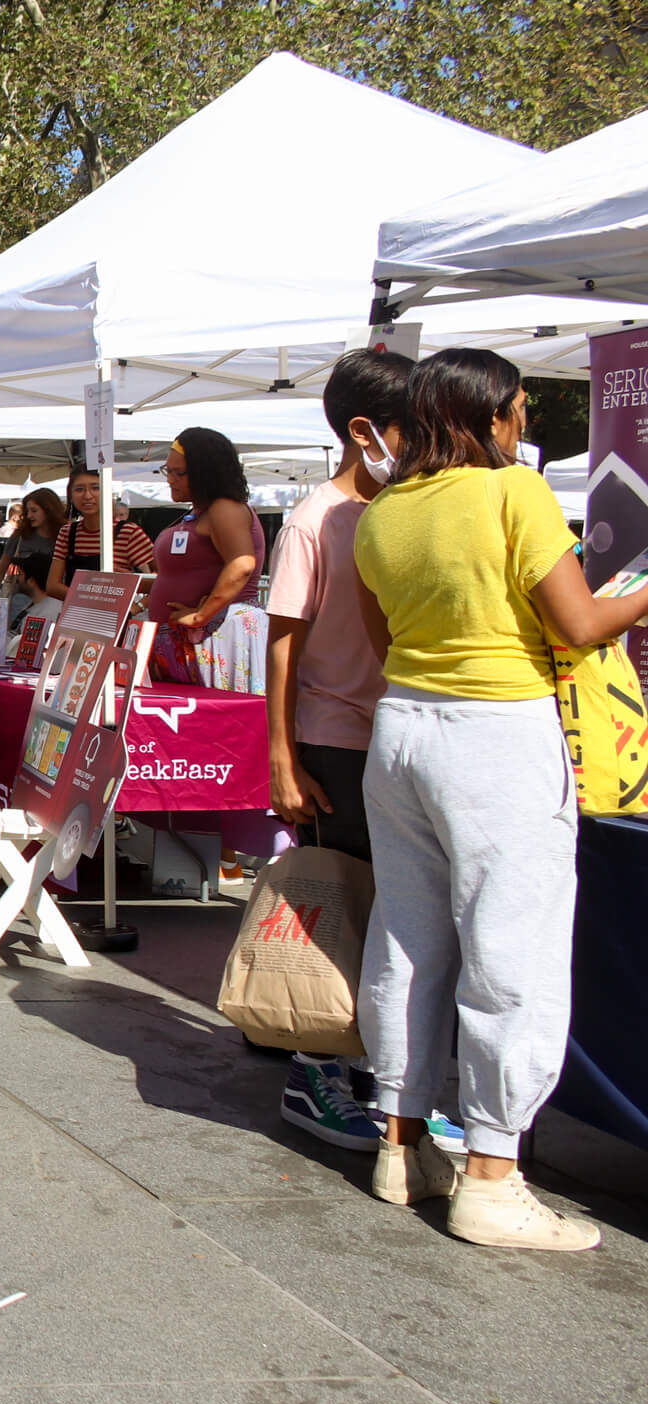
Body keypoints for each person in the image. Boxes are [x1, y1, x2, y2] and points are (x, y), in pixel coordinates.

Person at [355, 347, 648, 1252]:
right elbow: (579, 623)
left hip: (402, 730)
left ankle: (401, 1147)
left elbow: (383, 639)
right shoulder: (513, 494)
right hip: (497, 734)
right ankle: (492, 1172)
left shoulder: (382, 513)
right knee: (509, 947)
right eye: (520, 409)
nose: (525, 424)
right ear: (491, 417)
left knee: (406, 940)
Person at [262, 349, 465, 1154]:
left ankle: (392, 1083)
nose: (422, 442)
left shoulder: (415, 506)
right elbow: (283, 644)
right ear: (363, 431)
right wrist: (281, 755)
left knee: (402, 916)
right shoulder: (316, 519)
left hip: (405, 733)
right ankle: (315, 1070)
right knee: (344, 908)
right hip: (334, 741)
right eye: (412, 426)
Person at [148, 428, 268, 691]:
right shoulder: (200, 511)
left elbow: (241, 564)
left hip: (217, 641)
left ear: (206, 473)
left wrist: (202, 615)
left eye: (179, 473)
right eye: (167, 471)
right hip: (194, 644)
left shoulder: (225, 509)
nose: (170, 480)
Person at [43, 468, 155, 599]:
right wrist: (90, 599)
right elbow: (52, 586)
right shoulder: (67, 532)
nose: (87, 495)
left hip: (114, 615)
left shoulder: (129, 532)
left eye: (95, 488)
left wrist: (135, 596)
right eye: (79, 489)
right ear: (71, 496)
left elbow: (165, 578)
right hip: (76, 615)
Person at [0, 486, 65, 630]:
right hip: (22, 596)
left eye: (34, 511)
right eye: (27, 511)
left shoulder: (64, 534)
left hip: (54, 599)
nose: (29, 516)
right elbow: (0, 570)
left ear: (48, 510)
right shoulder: (20, 535)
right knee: (15, 635)